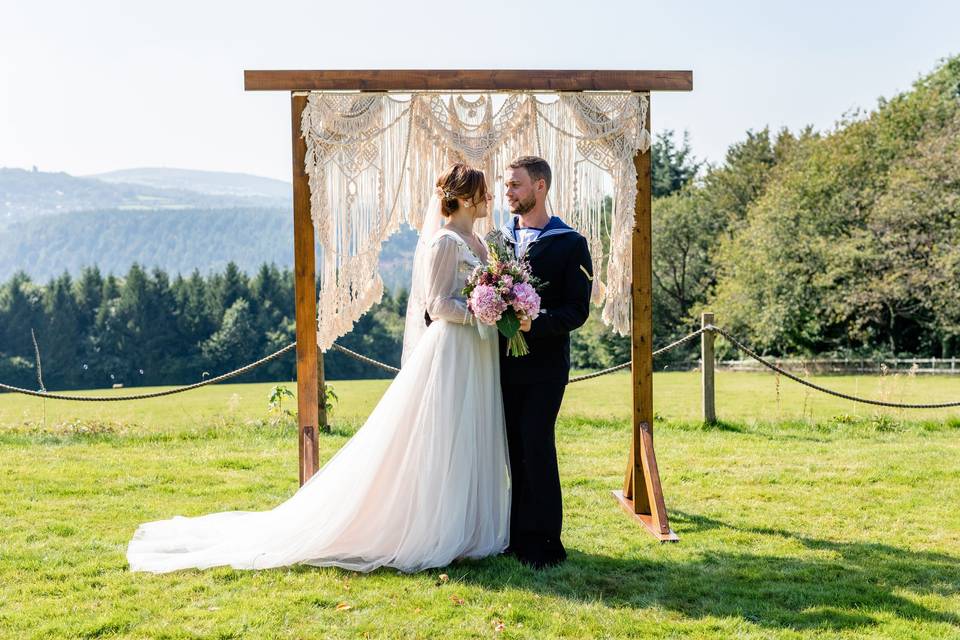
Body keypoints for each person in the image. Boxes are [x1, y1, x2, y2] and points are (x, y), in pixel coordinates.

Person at [127, 163, 509, 574]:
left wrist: (497, 305)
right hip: (453, 349)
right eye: (484, 192)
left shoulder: (479, 242)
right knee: (446, 435)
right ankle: (436, 527)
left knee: (472, 432)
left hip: (477, 351)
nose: (489, 199)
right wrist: (482, 311)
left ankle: (468, 529)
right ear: (466, 196)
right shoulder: (445, 242)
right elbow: (437, 305)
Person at [488, 155, 593, 569]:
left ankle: (547, 543)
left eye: (515, 185)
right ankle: (517, 537)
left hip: (547, 367)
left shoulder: (571, 242)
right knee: (514, 449)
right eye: (507, 185)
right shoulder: (500, 241)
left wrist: (537, 323)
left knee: (537, 445)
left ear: (540, 187)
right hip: (504, 365)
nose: (508, 192)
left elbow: (577, 311)